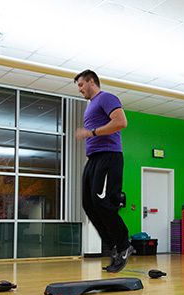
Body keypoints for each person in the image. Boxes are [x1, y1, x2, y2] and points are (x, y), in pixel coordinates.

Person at [74, 69, 133, 273]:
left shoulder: (106, 98)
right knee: (88, 203)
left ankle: (124, 245)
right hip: (94, 159)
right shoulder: (91, 106)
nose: (80, 89)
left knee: (103, 202)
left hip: (109, 156)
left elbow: (121, 122)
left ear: (91, 81)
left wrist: (91, 133)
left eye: (81, 85)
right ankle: (113, 246)